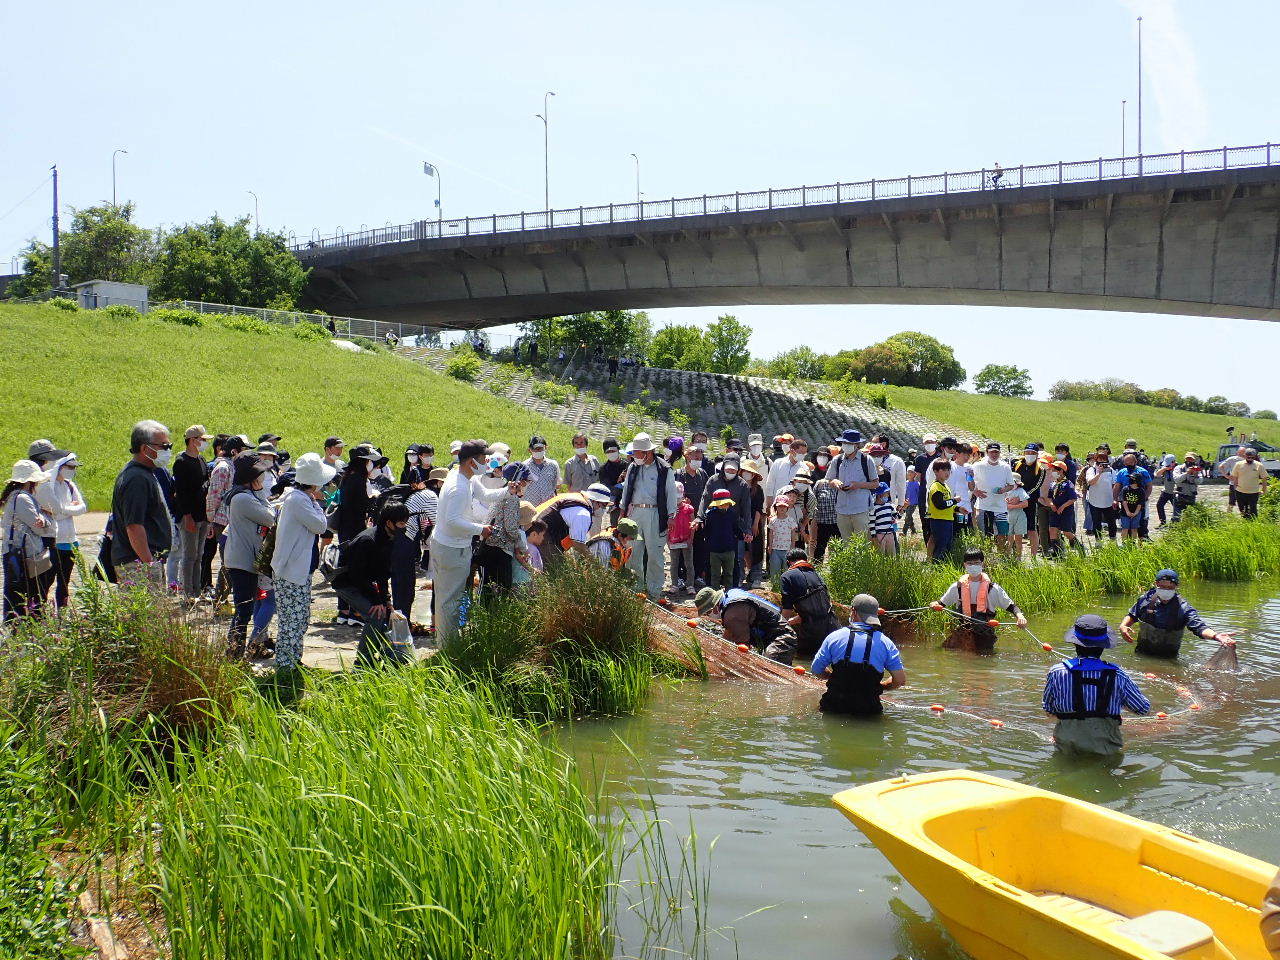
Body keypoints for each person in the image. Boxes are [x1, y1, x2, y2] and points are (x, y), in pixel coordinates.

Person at [429, 440, 504, 645]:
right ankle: (448, 648)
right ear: (472, 462)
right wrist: (481, 529)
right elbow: (453, 521)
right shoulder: (458, 486)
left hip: (452, 545)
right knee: (449, 601)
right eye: (483, 459)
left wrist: (510, 490)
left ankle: (446, 644)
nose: (487, 462)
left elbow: (487, 495)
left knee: (449, 598)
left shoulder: (466, 477)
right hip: (450, 549)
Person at [1042, 614, 1150, 756]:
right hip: (1106, 749)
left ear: (1075, 643)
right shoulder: (1119, 675)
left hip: (1067, 746)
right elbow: (1143, 709)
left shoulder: (1056, 672)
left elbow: (1049, 709)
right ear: (1104, 646)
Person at [270, 452, 335, 673]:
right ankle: (285, 665)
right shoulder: (299, 500)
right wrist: (319, 506)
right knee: (292, 619)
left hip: (298, 568)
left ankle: (294, 659)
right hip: (290, 570)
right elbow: (320, 526)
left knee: (300, 617)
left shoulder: (301, 498)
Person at [333, 501, 415, 667]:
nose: (404, 526)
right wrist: (377, 601)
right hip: (347, 582)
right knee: (375, 617)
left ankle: (384, 657)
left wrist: (386, 600)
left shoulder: (389, 538)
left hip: (363, 580)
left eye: (405, 523)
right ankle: (362, 663)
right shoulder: (367, 540)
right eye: (401, 523)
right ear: (389, 523)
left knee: (384, 614)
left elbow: (383, 574)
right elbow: (357, 576)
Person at [809, 593, 906, 716]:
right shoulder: (887, 643)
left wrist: (832, 676)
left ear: (853, 612)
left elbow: (816, 670)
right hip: (868, 713)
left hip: (833, 709)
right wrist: (883, 686)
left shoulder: (834, 637)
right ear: (875, 614)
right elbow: (900, 680)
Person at [1119, 569, 1235, 658]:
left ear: (1176, 586)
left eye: (1170, 587)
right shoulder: (1146, 599)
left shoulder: (1183, 608)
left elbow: (1199, 627)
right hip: (1141, 654)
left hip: (1168, 659)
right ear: (1156, 584)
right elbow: (1132, 615)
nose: (1165, 590)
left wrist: (1216, 636)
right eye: (1162, 587)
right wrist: (1124, 626)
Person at [111, 420, 174, 579]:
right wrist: (149, 563)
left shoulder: (145, 473)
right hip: (137, 564)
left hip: (144, 561)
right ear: (145, 448)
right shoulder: (136, 479)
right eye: (164, 446)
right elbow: (134, 526)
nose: (168, 451)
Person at [618, 432, 679, 598]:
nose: (634, 455)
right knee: (633, 552)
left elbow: (671, 493)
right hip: (635, 512)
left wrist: (671, 515)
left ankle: (654, 591)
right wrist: (623, 512)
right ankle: (634, 589)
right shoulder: (633, 467)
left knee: (655, 554)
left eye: (637, 452)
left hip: (655, 513)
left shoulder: (664, 468)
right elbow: (626, 490)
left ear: (647, 452)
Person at [933, 547, 1027, 652]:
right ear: (965, 565)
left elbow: (1012, 607)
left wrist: (1020, 616)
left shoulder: (993, 588)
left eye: (976, 563)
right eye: (970, 563)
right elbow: (941, 603)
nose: (973, 566)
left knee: (983, 660)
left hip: (984, 635)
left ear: (982, 564)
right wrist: (934, 604)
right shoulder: (957, 587)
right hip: (963, 632)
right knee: (945, 650)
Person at [1, 460, 53, 622]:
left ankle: (16, 628)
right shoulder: (24, 499)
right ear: (31, 481)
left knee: (18, 595)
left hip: (17, 553)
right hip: (25, 556)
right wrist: (46, 518)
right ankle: (25, 630)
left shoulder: (15, 497)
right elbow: (39, 527)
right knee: (27, 596)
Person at [694, 584, 797, 664]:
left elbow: (743, 647)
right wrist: (720, 657)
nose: (708, 616)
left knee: (768, 670)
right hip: (779, 635)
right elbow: (728, 634)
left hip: (782, 639)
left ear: (715, 607)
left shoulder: (733, 614)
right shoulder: (730, 596)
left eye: (707, 613)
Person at [36, 453, 86, 611]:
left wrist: (65, 509)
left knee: (65, 582)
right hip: (55, 540)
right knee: (47, 580)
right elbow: (55, 512)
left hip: (71, 540)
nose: (73, 470)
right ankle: (40, 612)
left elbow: (83, 508)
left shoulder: (70, 485)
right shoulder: (47, 486)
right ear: (59, 467)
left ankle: (62, 613)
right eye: (70, 467)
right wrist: (71, 508)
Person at [171, 425, 212, 599]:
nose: (204, 443)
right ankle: (187, 593)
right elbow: (180, 492)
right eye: (202, 440)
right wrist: (187, 516)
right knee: (189, 555)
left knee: (199, 555)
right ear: (192, 440)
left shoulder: (201, 460)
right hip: (190, 516)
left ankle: (197, 590)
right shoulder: (181, 462)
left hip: (202, 515)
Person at [475, 462, 529, 594]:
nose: (527, 484)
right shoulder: (511, 498)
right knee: (501, 589)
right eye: (525, 481)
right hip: (498, 549)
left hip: (490, 545)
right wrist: (522, 547)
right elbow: (511, 528)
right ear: (519, 481)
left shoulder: (502, 492)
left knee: (488, 588)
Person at [779, 548, 841, 659]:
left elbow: (787, 609)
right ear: (805, 560)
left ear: (788, 562)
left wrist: (778, 627)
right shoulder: (817, 575)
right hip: (833, 628)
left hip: (811, 633)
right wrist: (795, 620)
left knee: (805, 662)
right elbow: (819, 607)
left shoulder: (787, 576)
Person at [534, 483, 613, 566]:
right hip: (543, 536)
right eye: (604, 505)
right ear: (595, 501)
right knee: (555, 570)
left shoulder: (575, 498)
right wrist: (595, 563)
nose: (603, 509)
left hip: (534, 530)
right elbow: (578, 544)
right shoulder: (583, 513)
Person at [825, 430, 879, 537]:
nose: (846, 446)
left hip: (860, 509)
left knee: (862, 543)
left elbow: (875, 483)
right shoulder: (837, 460)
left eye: (849, 443)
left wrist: (858, 485)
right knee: (846, 543)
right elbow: (829, 480)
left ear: (856, 445)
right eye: (844, 443)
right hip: (842, 508)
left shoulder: (866, 460)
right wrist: (835, 482)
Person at [971, 442, 1016, 547]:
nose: (994, 455)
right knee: (985, 536)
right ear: (987, 453)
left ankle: (1000, 558)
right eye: (992, 452)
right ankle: (986, 557)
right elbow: (969, 481)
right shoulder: (978, 465)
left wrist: (1003, 490)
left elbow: (1011, 485)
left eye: (996, 452)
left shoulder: (1005, 467)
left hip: (1000, 507)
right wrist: (975, 491)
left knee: (1002, 535)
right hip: (983, 506)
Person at [703, 486, 742, 590]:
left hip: (729, 549)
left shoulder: (732, 514)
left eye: (726, 503)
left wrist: (743, 536)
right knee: (715, 574)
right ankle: (715, 594)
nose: (725, 505)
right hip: (714, 550)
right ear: (716, 503)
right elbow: (707, 531)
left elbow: (736, 529)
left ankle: (729, 593)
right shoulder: (710, 515)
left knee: (728, 574)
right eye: (722, 503)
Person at [1011, 442, 1046, 555]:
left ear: (1037, 454)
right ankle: (1018, 554)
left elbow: (1037, 486)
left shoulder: (1041, 469)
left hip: (1030, 502)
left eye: (1032, 453)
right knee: (1016, 530)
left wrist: (1022, 497)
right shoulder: (1017, 465)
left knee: (1031, 529)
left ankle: (1034, 556)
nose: (1029, 455)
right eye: (1027, 452)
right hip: (1015, 501)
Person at [924, 460, 959, 561]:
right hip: (939, 521)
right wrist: (953, 501)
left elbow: (948, 505)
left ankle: (942, 566)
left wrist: (958, 508)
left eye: (948, 470)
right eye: (943, 470)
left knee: (947, 546)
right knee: (941, 546)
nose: (947, 472)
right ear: (935, 471)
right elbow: (940, 505)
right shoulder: (936, 487)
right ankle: (936, 566)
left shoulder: (946, 486)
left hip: (948, 520)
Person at [1044, 459, 1081, 555]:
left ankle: (1079, 547)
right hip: (1054, 511)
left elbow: (1073, 498)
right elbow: (1049, 498)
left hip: (1066, 511)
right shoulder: (1053, 484)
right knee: (1052, 530)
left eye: (1054, 470)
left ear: (1061, 471)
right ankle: (1057, 553)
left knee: (1066, 532)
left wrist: (1063, 507)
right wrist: (1051, 504)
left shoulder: (1068, 484)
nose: (1053, 472)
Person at [812, 449, 842, 560]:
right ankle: (817, 569)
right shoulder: (819, 484)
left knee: (838, 548)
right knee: (820, 547)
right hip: (822, 522)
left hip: (837, 522)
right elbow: (814, 501)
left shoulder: (840, 483)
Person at [1081, 449, 1117, 541]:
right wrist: (1099, 473)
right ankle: (1098, 541)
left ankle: (1113, 540)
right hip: (1094, 501)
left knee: (1111, 522)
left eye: (1104, 460)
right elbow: (1091, 482)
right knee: (1096, 523)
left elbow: (1114, 484)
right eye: (1100, 460)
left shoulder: (1111, 470)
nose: (1102, 462)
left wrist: (1115, 499)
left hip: (1108, 501)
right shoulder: (1091, 470)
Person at [763, 437, 809, 508]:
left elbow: (805, 490)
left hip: (794, 507)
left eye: (804, 453)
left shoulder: (805, 468)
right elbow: (770, 484)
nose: (802, 455)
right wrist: (769, 504)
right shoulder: (778, 463)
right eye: (800, 453)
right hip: (777, 505)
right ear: (792, 450)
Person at [666, 482, 694, 593]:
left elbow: (692, 524)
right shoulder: (668, 510)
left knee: (689, 563)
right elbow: (666, 526)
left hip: (686, 540)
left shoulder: (689, 508)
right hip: (673, 540)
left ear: (683, 495)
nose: (677, 500)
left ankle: (690, 585)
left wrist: (691, 539)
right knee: (674, 563)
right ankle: (674, 584)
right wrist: (667, 540)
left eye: (679, 497)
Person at [766, 494, 799, 578]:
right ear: (776, 507)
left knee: (786, 569)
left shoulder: (790, 520)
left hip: (787, 549)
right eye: (779, 506)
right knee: (774, 569)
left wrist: (793, 547)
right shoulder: (773, 520)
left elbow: (793, 534)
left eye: (784, 506)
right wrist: (770, 546)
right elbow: (770, 534)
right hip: (775, 549)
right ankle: (775, 586)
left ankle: (786, 587)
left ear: (787, 508)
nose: (782, 508)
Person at [1230, 448, 1269, 519]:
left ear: (1254, 457)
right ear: (1245, 456)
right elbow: (1235, 477)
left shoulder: (1259, 465)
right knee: (1242, 510)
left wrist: (1264, 489)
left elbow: (1264, 478)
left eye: (1252, 457)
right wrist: (1235, 488)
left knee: (1253, 511)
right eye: (1248, 457)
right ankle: (1245, 525)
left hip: (1253, 492)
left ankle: (1254, 525)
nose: (1250, 459)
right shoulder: (1238, 464)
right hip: (1240, 491)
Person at [522, 434, 560, 506]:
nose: (538, 451)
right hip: (531, 506)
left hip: (548, 506)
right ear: (529, 450)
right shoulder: (524, 466)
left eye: (540, 448)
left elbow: (557, 485)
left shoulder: (553, 465)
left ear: (546, 447)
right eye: (535, 449)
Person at [1170, 453, 1204, 521]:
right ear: (1185, 459)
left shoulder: (1196, 469)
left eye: (1191, 459)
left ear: (1194, 460)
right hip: (1180, 495)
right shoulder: (1179, 468)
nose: (1189, 460)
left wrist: (1195, 475)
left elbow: (1200, 481)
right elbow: (1176, 479)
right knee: (1176, 518)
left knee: (1190, 518)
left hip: (1191, 495)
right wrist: (1187, 473)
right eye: (1188, 458)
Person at [870, 481, 899, 555]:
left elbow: (897, 517)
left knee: (892, 554)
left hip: (890, 534)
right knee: (880, 554)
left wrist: (903, 509)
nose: (888, 495)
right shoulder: (873, 508)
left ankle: (892, 565)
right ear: (880, 495)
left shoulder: (889, 506)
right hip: (879, 535)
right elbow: (872, 523)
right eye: (887, 494)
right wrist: (874, 536)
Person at [1117, 471, 1146, 541]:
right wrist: (1127, 512)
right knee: (1125, 528)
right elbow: (1123, 501)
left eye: (1132, 478)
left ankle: (1133, 543)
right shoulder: (1125, 489)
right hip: (1125, 512)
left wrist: (1135, 513)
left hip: (1137, 513)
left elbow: (1140, 503)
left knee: (1134, 529)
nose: (1130, 479)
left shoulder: (1141, 490)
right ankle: (1124, 543)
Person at [1218, 445, 1246, 514]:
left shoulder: (1233, 459)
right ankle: (1233, 515)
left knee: (1234, 500)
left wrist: (1226, 475)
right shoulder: (1236, 459)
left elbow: (1221, 466)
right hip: (1239, 483)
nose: (1242, 454)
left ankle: (1231, 515)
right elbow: (1221, 466)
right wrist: (1226, 476)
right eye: (1242, 453)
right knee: (1237, 501)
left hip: (1240, 483)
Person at [1153, 455, 1178, 526]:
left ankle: (1176, 523)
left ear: (1173, 462)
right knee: (1159, 505)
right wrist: (1164, 469)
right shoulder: (1165, 469)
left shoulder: (1178, 469)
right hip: (1166, 491)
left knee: (1176, 508)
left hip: (1175, 492)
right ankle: (1162, 522)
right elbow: (1157, 475)